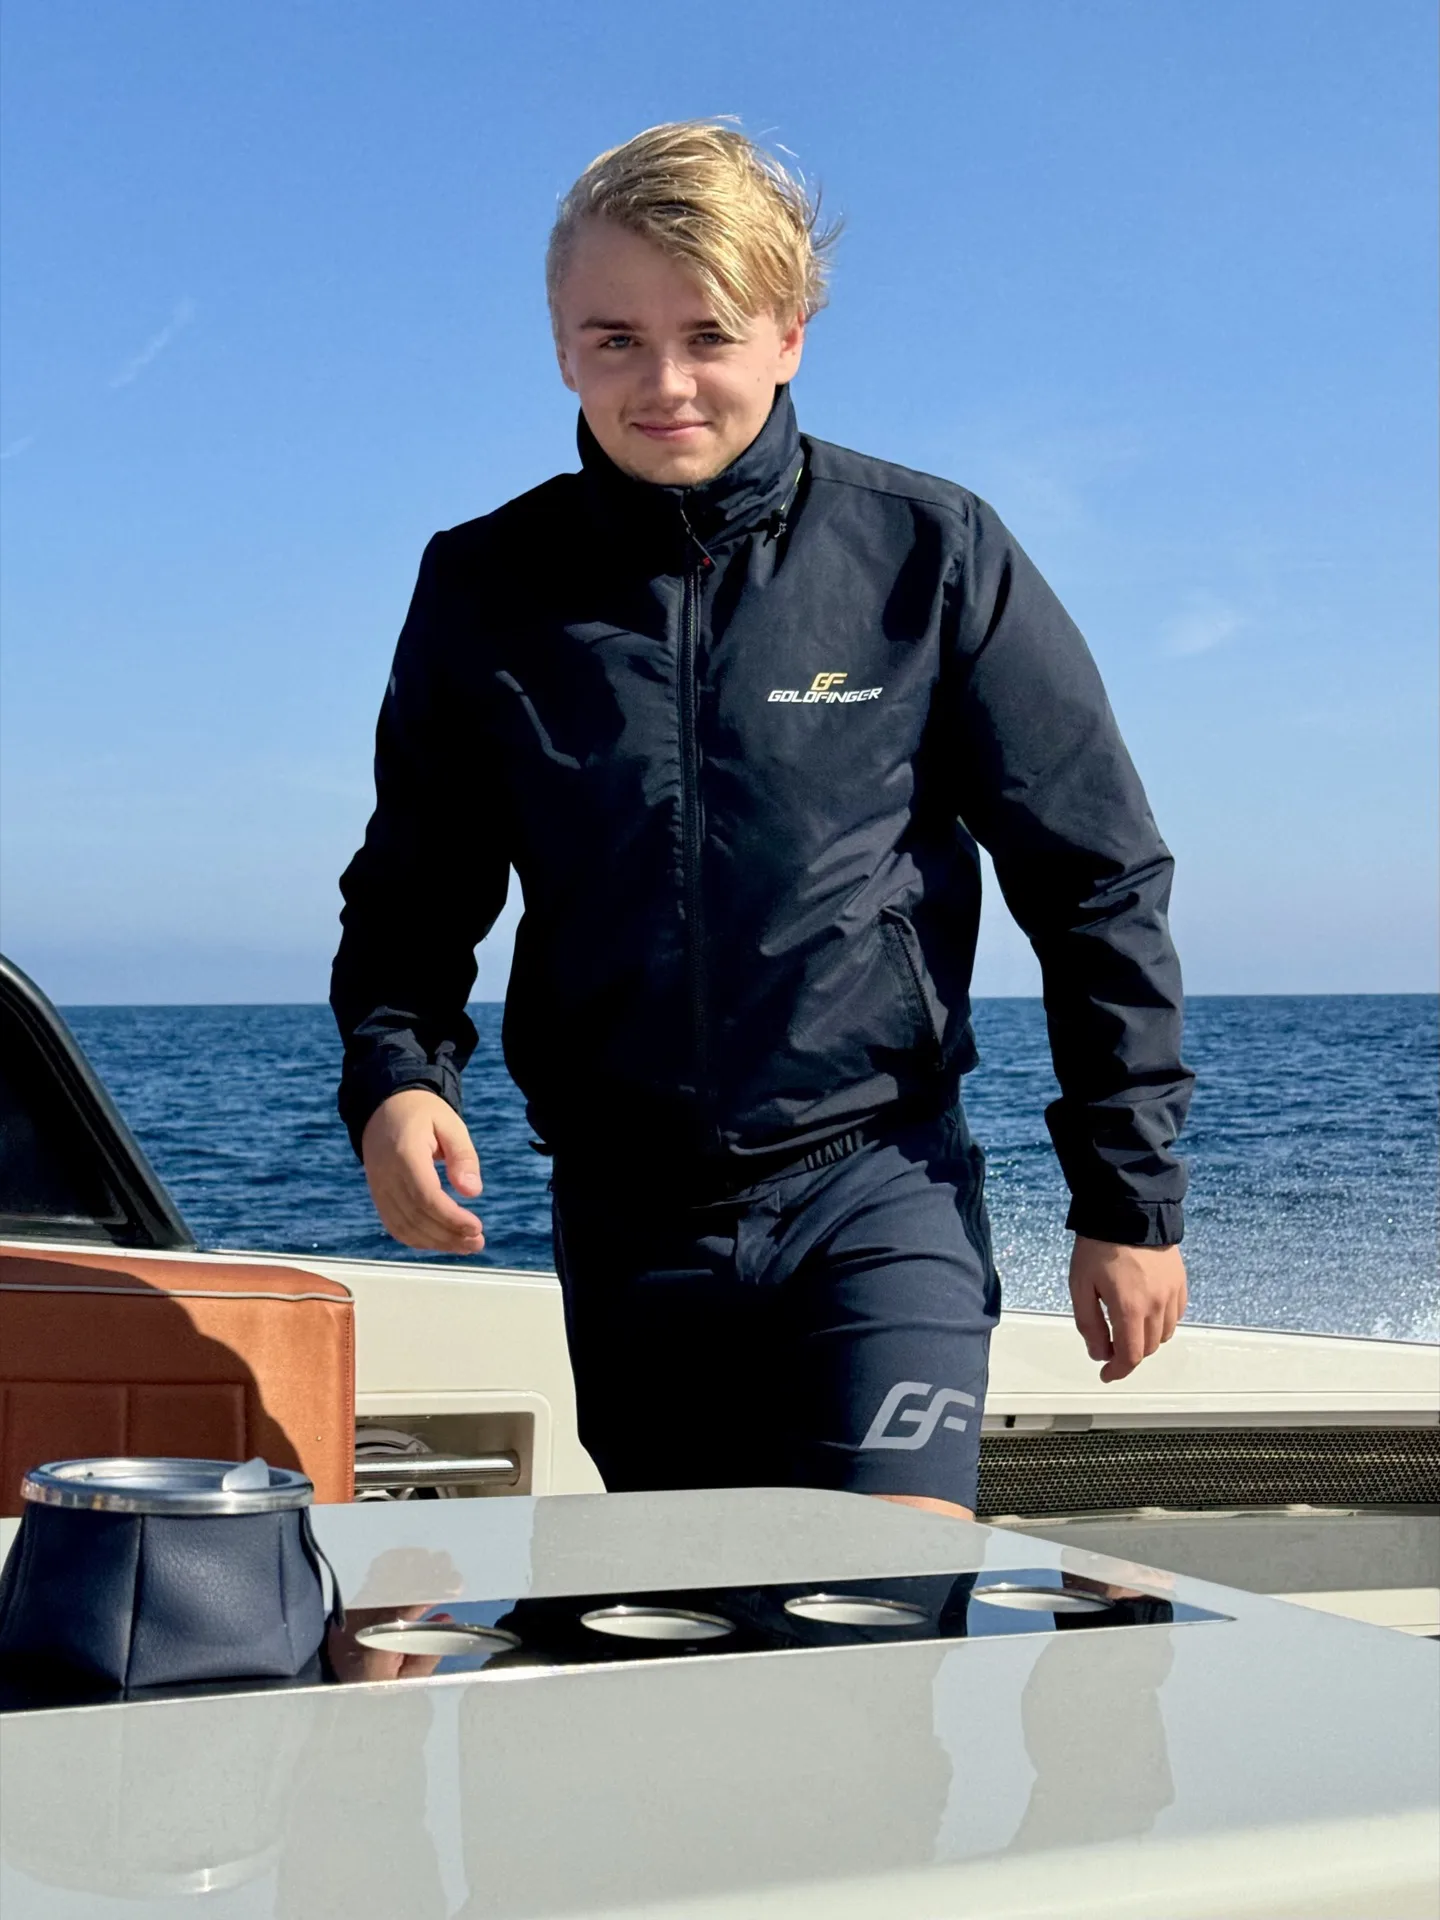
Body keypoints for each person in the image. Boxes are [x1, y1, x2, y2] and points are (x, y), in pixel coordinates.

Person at [331, 121, 1193, 1522]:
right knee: (690, 1647)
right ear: (561, 346)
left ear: (788, 336)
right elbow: (414, 896)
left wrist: (1128, 1199)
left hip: (877, 1190)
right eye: (615, 339)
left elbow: (1094, 877)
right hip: (627, 1222)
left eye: (709, 334)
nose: (664, 382)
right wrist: (396, 1078)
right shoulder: (485, 588)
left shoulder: (931, 552)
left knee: (887, 1596)